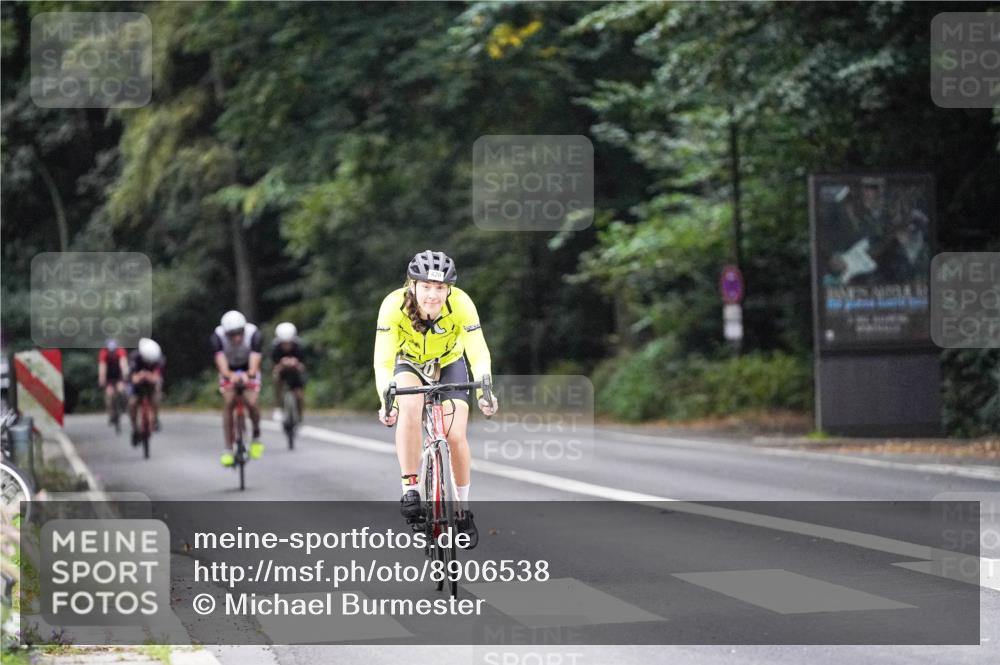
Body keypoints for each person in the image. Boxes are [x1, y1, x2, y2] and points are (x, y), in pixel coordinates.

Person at [373, 250, 498, 549]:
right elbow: (383, 360)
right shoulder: (393, 305)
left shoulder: (461, 304)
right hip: (409, 363)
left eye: (440, 288)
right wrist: (386, 399)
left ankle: (463, 511)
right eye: (426, 286)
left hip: (450, 363)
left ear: (449, 289)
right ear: (412, 285)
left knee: (455, 436)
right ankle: (411, 488)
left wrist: (485, 392)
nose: (433, 295)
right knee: (411, 407)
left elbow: (478, 352)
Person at [211, 310, 264, 466]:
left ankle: (256, 436)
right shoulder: (217, 337)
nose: (237, 338)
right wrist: (230, 376)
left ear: (244, 329)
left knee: (252, 402)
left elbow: (254, 364)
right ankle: (228, 447)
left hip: (249, 368)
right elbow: (221, 364)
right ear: (225, 333)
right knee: (229, 403)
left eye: (239, 333)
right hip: (229, 369)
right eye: (232, 335)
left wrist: (249, 375)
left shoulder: (254, 334)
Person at [127, 338, 164, 445]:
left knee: (157, 396)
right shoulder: (135, 357)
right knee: (132, 403)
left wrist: (145, 375)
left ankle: (155, 419)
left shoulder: (159, 359)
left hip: (151, 385)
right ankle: (135, 428)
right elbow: (133, 378)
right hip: (137, 386)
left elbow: (156, 378)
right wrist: (142, 376)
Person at [270, 322, 307, 423]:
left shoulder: (299, 346)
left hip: (295, 373)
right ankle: (278, 405)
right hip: (282, 372)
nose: (286, 346)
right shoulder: (275, 347)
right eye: (284, 343)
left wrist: (295, 364)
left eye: (288, 343)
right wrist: (282, 364)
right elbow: (274, 365)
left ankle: (299, 415)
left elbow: (302, 365)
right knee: (275, 377)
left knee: (299, 395)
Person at [97, 338, 129, 425]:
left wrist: (125, 375)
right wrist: (101, 378)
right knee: (109, 395)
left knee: (122, 390)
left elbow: (124, 364)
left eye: (113, 351)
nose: (112, 353)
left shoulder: (121, 351)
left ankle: (124, 406)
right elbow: (102, 367)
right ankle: (111, 414)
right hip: (109, 376)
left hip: (119, 375)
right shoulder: (103, 352)